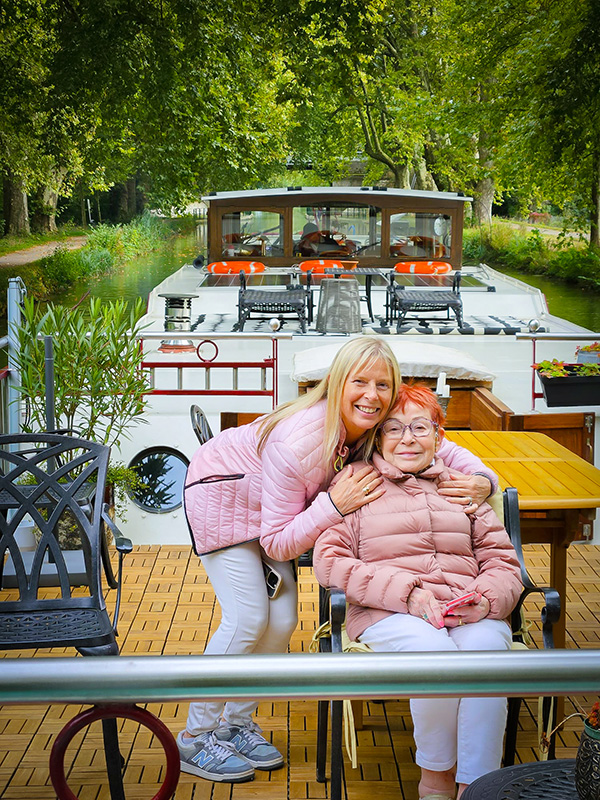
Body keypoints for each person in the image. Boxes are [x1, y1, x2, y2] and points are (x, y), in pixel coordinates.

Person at [179, 339, 498, 784]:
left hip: (276, 506)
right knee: (247, 618)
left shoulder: (374, 419)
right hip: (225, 497)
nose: (372, 394)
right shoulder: (298, 442)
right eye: (359, 382)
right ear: (335, 383)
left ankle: (235, 722)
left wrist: (483, 480)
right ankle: (196, 736)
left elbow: (444, 450)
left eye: (383, 384)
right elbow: (278, 543)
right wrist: (332, 506)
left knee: (282, 620)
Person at [313, 383, 522, 800]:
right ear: (377, 437)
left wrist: (485, 600)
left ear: (438, 437)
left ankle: (476, 785)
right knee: (435, 655)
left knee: (488, 654)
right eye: (393, 428)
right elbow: (330, 561)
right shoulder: (357, 483)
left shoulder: (461, 487)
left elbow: (503, 561)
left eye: (419, 427)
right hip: (389, 612)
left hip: (466, 609)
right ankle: (436, 778)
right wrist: (406, 594)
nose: (407, 438)